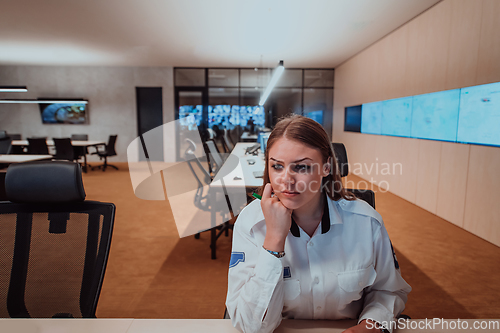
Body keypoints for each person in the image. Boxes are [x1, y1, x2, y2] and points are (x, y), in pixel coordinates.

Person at [226, 114, 411, 333]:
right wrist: (274, 240)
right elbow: (250, 326)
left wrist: (372, 325)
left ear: (326, 167)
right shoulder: (251, 222)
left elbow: (388, 291)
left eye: (301, 167)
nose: (286, 179)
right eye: (277, 166)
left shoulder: (366, 222)